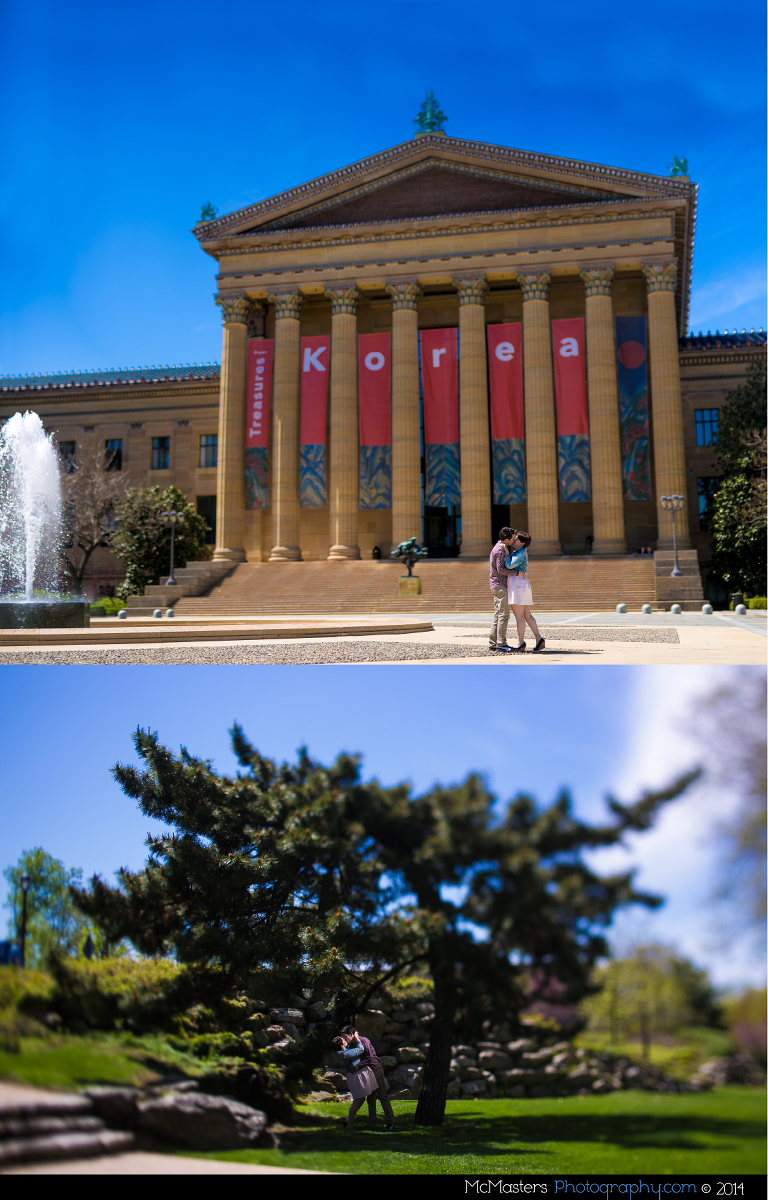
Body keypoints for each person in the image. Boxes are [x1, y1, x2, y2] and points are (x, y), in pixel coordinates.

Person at [332, 1031, 394, 1131]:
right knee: (366, 1099)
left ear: (351, 1034)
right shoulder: (345, 1052)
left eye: (345, 1036)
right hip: (361, 1074)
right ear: (341, 1045)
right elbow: (359, 1051)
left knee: (381, 1096)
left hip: (374, 1069)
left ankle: (389, 1121)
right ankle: (365, 1123)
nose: (345, 1039)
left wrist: (357, 1040)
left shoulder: (363, 1041)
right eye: (343, 1038)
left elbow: (369, 1057)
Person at [505, 531, 545, 653]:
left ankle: (520, 642)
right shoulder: (521, 552)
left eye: (516, 538)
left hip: (517, 583)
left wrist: (506, 553)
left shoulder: (520, 552)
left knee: (519, 616)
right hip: (522, 583)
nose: (514, 540)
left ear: (522, 543)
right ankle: (538, 638)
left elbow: (509, 565)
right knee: (527, 614)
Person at [488, 526, 518, 652]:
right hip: (500, 585)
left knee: (497, 614)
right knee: (503, 615)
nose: (515, 539)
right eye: (513, 537)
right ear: (506, 539)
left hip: (495, 585)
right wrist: (516, 572)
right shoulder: (500, 550)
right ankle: (501, 642)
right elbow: (500, 570)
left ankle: (493, 642)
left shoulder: (499, 547)